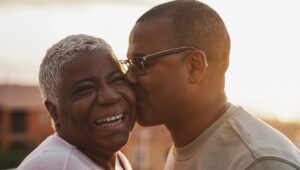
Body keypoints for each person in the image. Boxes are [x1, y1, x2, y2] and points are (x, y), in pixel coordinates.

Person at [119, 0, 300, 169]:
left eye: (141, 64)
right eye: (129, 64)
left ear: (194, 66)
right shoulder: (185, 147)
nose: (129, 77)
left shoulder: (257, 162)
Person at [18, 34, 135, 170]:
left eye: (117, 79)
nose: (110, 96)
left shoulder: (118, 160)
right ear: (54, 112)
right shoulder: (55, 163)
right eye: (86, 88)